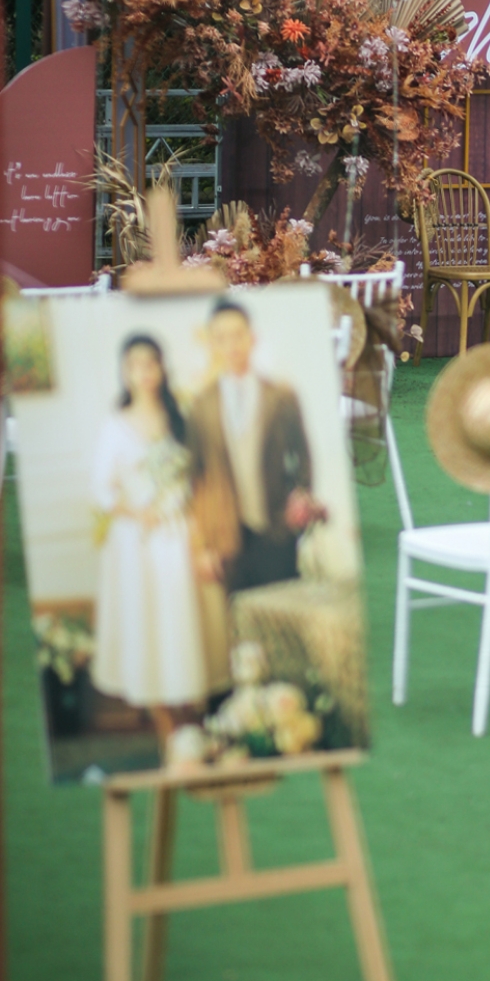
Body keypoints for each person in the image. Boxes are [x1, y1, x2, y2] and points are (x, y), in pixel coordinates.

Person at [92, 334, 209, 740]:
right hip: (136, 540)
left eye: (151, 364)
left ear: (161, 368)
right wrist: (139, 512)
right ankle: (164, 725)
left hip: (177, 534)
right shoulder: (115, 425)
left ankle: (190, 717)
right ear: (125, 372)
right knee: (146, 625)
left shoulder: (179, 419)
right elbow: (102, 489)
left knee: (178, 624)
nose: (143, 373)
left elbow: (196, 477)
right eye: (135, 366)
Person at [187, 299, 316, 594]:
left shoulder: (281, 396)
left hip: (276, 530)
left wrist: (300, 499)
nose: (231, 345)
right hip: (227, 537)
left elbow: (304, 456)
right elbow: (196, 475)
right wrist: (203, 543)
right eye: (221, 338)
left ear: (252, 338)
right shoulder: (201, 405)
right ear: (212, 344)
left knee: (283, 607)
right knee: (240, 613)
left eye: (238, 335)